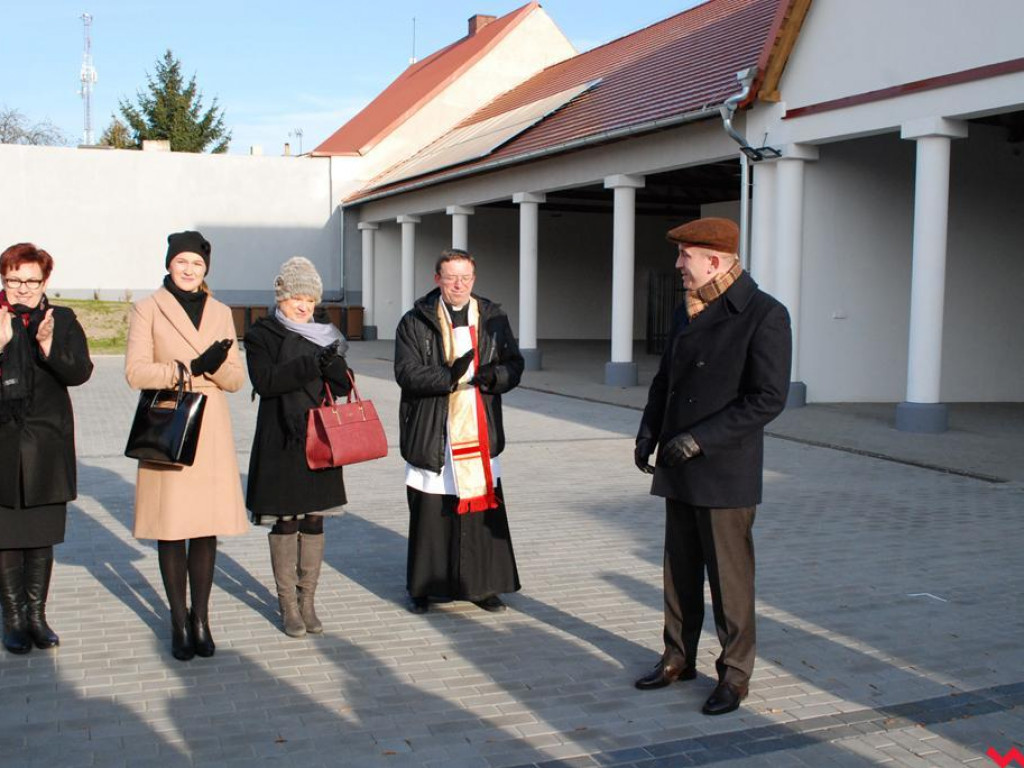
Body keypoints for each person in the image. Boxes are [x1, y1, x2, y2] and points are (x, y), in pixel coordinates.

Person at [634, 218, 791, 715]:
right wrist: (648, 433)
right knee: (678, 572)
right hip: (678, 464)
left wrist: (700, 440)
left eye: (685, 256)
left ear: (715, 261)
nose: (678, 265)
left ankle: (735, 676)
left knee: (729, 581)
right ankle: (678, 658)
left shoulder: (764, 315)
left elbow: (767, 398)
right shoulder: (690, 310)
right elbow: (666, 381)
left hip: (723, 468)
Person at [125, 230, 248, 661]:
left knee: (205, 529)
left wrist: (214, 369)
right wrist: (192, 368)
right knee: (172, 529)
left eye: (197, 264)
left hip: (211, 429)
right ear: (169, 264)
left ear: (206, 268)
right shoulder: (148, 308)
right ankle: (178, 620)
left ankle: (202, 618)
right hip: (171, 427)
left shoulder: (220, 311)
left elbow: (235, 379)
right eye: (182, 262)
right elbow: (137, 372)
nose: (190, 270)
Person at [394, 248, 524, 614]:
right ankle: (425, 586)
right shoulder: (415, 321)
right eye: (451, 277)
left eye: (465, 277)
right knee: (432, 512)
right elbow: (405, 373)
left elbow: (515, 364)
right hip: (434, 428)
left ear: (474, 279)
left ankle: (482, 586)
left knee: (480, 511)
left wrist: (494, 376)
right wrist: (448, 376)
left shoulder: (493, 318)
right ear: (437, 279)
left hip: (479, 427)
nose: (458, 284)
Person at [244, 257, 352, 638]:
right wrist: (312, 362)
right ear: (281, 297)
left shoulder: (327, 333)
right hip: (281, 438)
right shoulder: (263, 334)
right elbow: (266, 380)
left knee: (315, 518)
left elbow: (341, 387)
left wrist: (332, 363)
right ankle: (287, 603)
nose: (303, 305)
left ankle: (309, 600)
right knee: (287, 519)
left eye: (309, 298)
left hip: (319, 436)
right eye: (296, 298)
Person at [0, 243, 93, 654]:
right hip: (3, 441)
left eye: (29, 280)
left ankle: (37, 617)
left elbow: (80, 372)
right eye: (12, 279)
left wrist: (48, 347)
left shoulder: (63, 319)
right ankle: (14, 620)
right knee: (6, 536)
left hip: (47, 443)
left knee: (40, 535)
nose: (21, 288)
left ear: (45, 281)